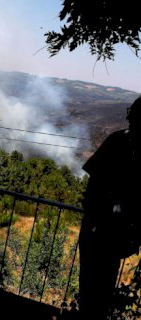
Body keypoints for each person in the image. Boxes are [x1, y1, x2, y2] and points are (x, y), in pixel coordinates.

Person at [78, 96, 141, 319]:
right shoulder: (118, 142)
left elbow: (92, 185)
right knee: (96, 291)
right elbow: (93, 188)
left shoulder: (117, 141)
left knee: (92, 291)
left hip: (104, 233)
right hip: (103, 232)